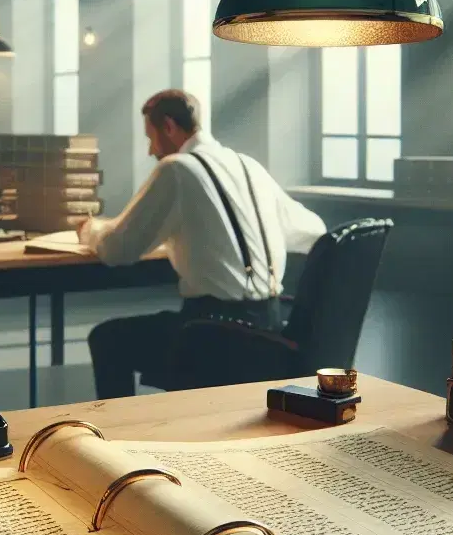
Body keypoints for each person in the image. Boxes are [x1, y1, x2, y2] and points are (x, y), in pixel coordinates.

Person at [78, 89, 327, 399]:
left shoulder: (176, 169)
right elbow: (315, 230)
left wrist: (90, 229)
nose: (150, 150)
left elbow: (118, 249)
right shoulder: (248, 166)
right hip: (271, 328)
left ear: (168, 126)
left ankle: (117, 444)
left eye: (150, 137)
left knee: (107, 339)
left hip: (212, 336)